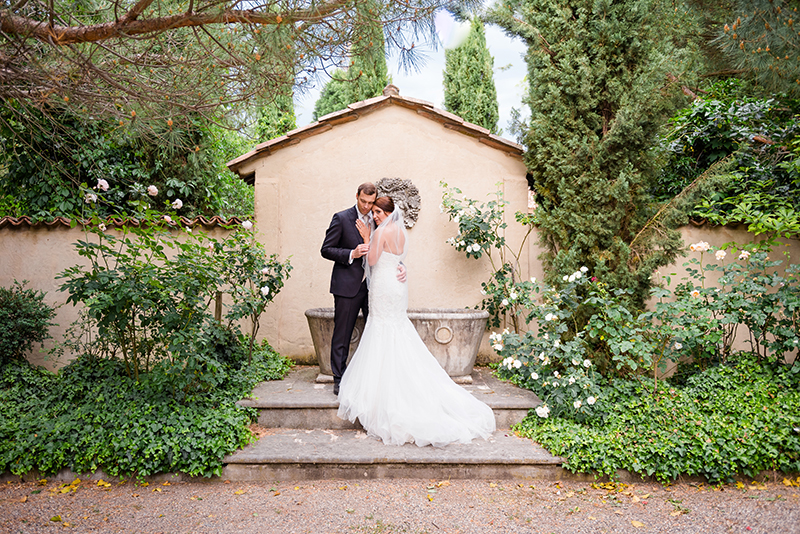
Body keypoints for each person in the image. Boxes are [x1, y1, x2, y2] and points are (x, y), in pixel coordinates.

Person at [336, 196, 496, 447]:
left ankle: (387, 389)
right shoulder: (400, 232)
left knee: (383, 330)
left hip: (384, 286)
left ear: (389, 212)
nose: (375, 216)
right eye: (374, 212)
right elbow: (397, 259)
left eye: (378, 212)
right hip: (396, 286)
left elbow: (372, 261)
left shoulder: (381, 232)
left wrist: (367, 238)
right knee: (394, 329)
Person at [321, 183, 405, 396]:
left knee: (375, 334)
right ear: (356, 196)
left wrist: (401, 266)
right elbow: (326, 249)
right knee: (342, 334)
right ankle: (339, 378)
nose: (367, 207)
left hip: (376, 288)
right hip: (348, 286)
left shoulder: (380, 219)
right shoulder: (341, 218)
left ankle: (377, 380)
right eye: (363, 201)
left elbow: (389, 251)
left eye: (371, 203)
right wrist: (352, 253)